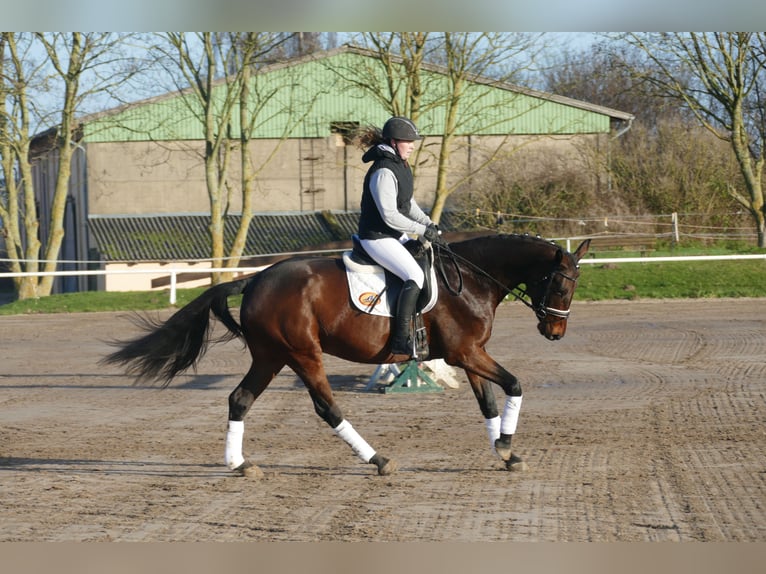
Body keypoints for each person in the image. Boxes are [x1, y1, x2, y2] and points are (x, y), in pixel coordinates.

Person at [356, 116, 442, 357]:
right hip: (377, 237)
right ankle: (401, 339)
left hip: (393, 236)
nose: (413, 145)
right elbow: (390, 215)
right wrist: (422, 230)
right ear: (393, 142)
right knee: (414, 275)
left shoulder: (400, 165)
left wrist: (429, 223)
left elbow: (409, 203)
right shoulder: (383, 171)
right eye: (408, 141)